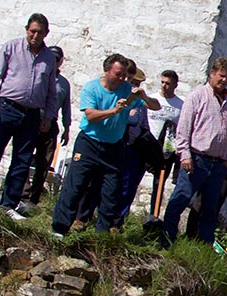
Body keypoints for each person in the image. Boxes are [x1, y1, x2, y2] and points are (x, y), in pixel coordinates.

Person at [50, 53, 149, 236]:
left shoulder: (128, 89)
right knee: (75, 186)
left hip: (114, 146)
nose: (121, 78)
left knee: (110, 192)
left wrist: (143, 96)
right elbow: (90, 115)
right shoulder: (92, 87)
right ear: (106, 71)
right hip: (89, 143)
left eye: (124, 75)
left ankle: (101, 234)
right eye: (117, 74)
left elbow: (154, 106)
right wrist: (114, 111)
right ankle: (60, 228)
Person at [0, 14, 58, 220]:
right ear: (26, 29)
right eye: (32, 31)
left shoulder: (49, 58)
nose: (35, 36)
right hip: (6, 108)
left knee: (21, 161)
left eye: (39, 32)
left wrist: (48, 116)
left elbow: (51, 92)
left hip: (31, 115)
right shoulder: (11, 47)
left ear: (46, 33)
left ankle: (8, 204)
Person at [160, 57, 227, 246]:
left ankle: (204, 245)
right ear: (212, 73)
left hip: (218, 164)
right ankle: (166, 239)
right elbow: (184, 128)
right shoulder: (197, 96)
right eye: (221, 76)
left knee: (210, 208)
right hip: (196, 158)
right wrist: (185, 154)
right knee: (181, 198)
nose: (223, 81)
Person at [21, 45, 70, 207]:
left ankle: (34, 197)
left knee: (44, 162)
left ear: (61, 61)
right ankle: (22, 191)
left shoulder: (64, 83)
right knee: (24, 156)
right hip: (33, 118)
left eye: (57, 59)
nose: (54, 62)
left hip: (51, 123)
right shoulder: (39, 74)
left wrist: (66, 128)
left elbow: (66, 107)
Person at [117, 66, 160, 223]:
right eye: (133, 82)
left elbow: (140, 122)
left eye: (137, 83)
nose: (135, 86)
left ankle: (120, 220)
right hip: (119, 145)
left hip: (134, 147)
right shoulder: (120, 97)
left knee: (128, 186)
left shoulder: (140, 102)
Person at [146, 69, 184, 216]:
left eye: (168, 83)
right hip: (148, 143)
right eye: (162, 82)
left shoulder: (180, 105)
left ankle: (153, 215)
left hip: (165, 148)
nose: (164, 86)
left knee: (159, 183)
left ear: (175, 85)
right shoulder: (152, 99)